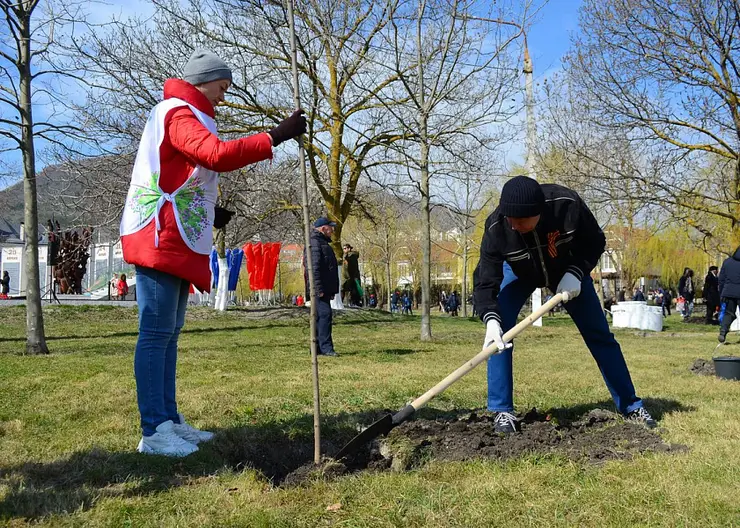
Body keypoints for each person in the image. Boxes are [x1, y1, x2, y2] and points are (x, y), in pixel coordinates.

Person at [119, 49, 307, 457]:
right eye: (221, 88)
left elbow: (181, 169)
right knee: (155, 333)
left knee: (168, 333)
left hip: (173, 234)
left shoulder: (186, 113)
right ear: (203, 82)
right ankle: (153, 431)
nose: (222, 97)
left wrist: (208, 210)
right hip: (158, 234)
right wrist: (275, 135)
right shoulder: (179, 112)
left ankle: (169, 419)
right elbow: (214, 155)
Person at [473, 176, 656, 434]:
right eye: (509, 218)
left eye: (520, 220)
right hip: (518, 272)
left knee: (600, 335)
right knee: (499, 334)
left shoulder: (566, 204)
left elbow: (595, 241)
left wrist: (576, 271)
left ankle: (631, 405)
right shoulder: (497, 228)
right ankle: (502, 411)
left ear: (538, 212)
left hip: (566, 270)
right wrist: (491, 318)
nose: (512, 225)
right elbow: (485, 280)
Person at [305, 217, 339, 357]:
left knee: (321, 316)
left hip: (324, 288)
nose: (332, 230)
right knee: (325, 315)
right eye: (330, 228)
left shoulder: (322, 243)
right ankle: (325, 347)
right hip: (319, 289)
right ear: (324, 228)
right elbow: (313, 268)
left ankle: (317, 347)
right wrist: (317, 288)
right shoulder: (315, 243)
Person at [718, 248, 740, 343]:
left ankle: (723, 332)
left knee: (729, 313)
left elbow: (721, 279)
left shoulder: (727, 262)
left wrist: (722, 293)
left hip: (729, 292)